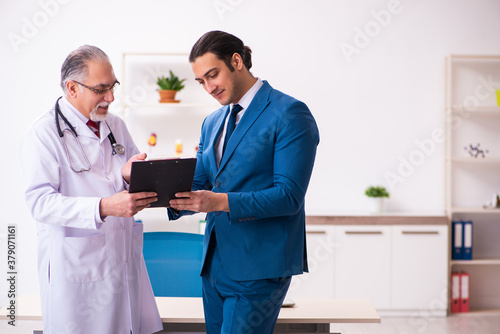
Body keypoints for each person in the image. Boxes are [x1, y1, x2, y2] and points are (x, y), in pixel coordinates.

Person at [169, 31, 320, 334]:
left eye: (213, 75)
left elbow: (288, 197)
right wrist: (149, 187)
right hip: (214, 265)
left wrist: (219, 202)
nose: (209, 87)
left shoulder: (289, 113)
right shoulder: (212, 122)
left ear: (236, 61)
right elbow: (198, 182)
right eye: (201, 81)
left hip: (259, 266)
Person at [20, 45, 163, 334]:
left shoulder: (116, 126)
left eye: (113, 87)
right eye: (101, 89)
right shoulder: (44, 133)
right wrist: (103, 207)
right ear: (72, 88)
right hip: (79, 275)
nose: (110, 98)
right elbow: (40, 203)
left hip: (122, 263)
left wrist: (129, 177)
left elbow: (121, 181)